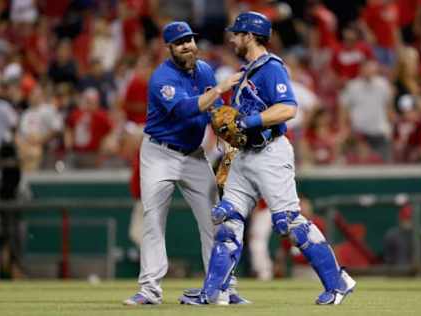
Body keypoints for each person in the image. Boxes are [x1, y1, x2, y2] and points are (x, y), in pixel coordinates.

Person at [179, 12, 356, 306]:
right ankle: (215, 292)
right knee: (226, 218)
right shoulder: (247, 70)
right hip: (246, 155)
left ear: (249, 36)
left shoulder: (270, 67)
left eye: (237, 34)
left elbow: (288, 109)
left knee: (289, 222)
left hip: (271, 152)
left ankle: (337, 281)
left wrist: (247, 123)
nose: (232, 38)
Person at [123, 21, 243, 305]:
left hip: (193, 154)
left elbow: (214, 110)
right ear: (170, 48)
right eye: (180, 42)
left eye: (190, 39)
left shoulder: (204, 70)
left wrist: (224, 136)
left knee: (215, 220)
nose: (187, 45)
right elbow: (184, 109)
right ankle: (150, 290)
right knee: (153, 220)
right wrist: (220, 89)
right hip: (159, 154)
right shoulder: (161, 78)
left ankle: (223, 289)